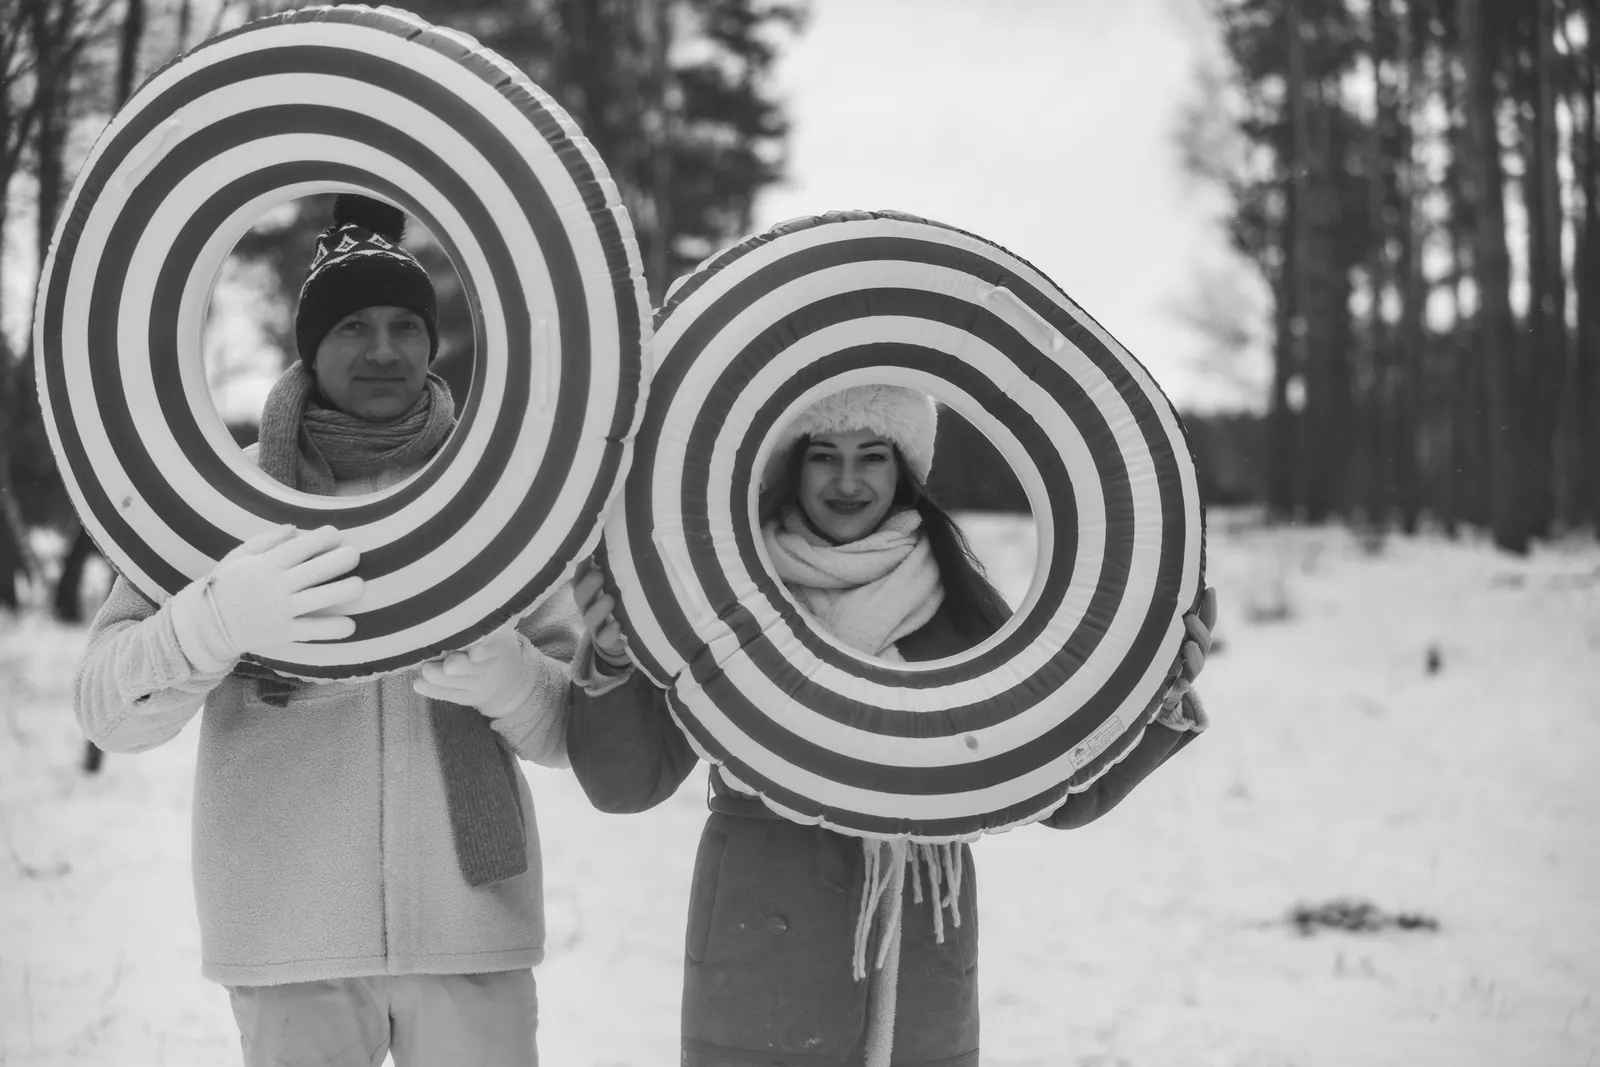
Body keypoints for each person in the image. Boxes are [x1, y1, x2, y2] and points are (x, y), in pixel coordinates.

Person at [568, 384, 1217, 1067]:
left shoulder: (958, 606)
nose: (847, 480)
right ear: (792, 463)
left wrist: (1158, 691)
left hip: (919, 972)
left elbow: (1066, 791)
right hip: (755, 971)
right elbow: (626, 782)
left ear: (903, 466)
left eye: (871, 454)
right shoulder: (723, 592)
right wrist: (614, 659)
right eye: (824, 454)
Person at [74, 195, 579, 1067]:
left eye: (403, 324)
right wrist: (216, 618)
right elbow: (107, 708)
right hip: (285, 934)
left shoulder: (502, 505)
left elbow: (577, 729)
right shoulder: (216, 501)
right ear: (311, 344)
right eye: (351, 326)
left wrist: (511, 679)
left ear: (434, 339)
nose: (383, 350)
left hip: (471, 933)